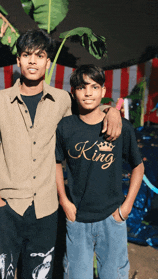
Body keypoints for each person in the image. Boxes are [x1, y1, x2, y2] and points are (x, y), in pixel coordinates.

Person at [0, 30, 122, 279]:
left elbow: (89, 112)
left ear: (48, 62)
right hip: (7, 205)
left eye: (40, 55)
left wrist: (111, 111)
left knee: (38, 275)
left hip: (46, 208)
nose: (32, 61)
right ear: (18, 61)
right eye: (26, 55)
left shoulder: (62, 100)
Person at [55, 64, 144, 279]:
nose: (88, 93)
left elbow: (138, 166)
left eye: (94, 87)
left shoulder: (120, 127)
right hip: (77, 219)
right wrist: (64, 201)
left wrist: (126, 208)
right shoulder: (66, 127)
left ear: (103, 92)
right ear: (73, 92)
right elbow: (56, 163)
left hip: (112, 218)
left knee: (113, 275)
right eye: (81, 87)